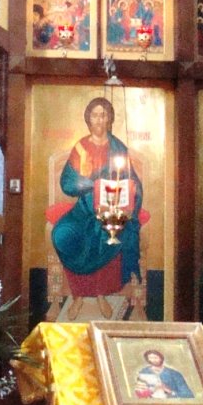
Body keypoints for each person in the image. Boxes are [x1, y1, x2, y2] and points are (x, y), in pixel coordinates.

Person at [48, 97, 143, 320]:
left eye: (103, 115)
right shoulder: (81, 148)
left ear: (110, 119)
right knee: (61, 235)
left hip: (110, 208)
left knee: (105, 235)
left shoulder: (118, 147)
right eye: (95, 115)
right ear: (88, 119)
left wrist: (124, 193)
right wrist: (91, 184)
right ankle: (79, 293)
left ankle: (100, 293)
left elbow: (133, 182)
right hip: (83, 210)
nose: (99, 119)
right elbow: (67, 183)